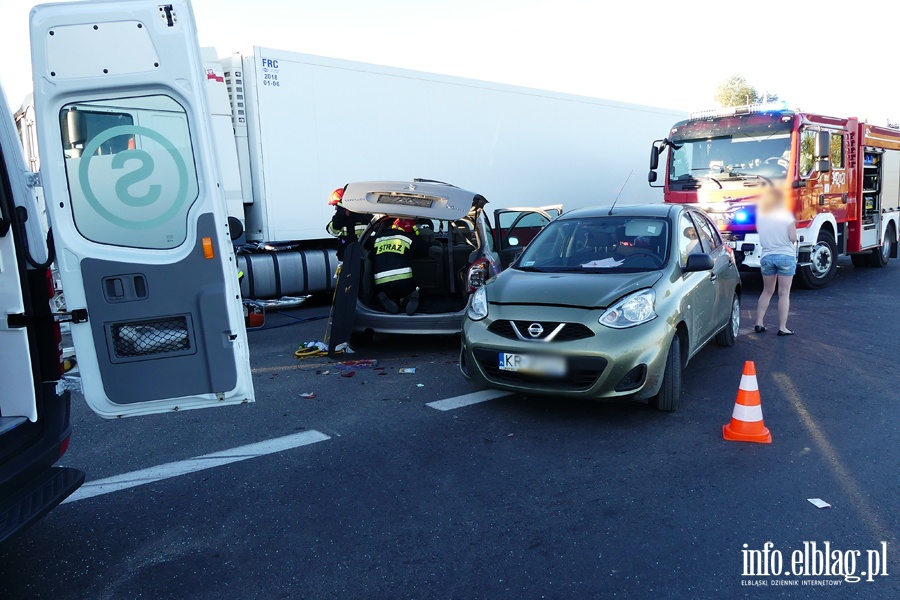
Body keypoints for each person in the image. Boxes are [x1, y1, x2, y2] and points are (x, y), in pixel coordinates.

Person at [754, 187, 798, 336]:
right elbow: (793, 237)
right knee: (784, 293)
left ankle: (759, 323)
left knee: (767, 291)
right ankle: (782, 327)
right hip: (785, 256)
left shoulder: (762, 217)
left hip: (767, 257)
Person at [372, 218, 427, 315]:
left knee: (383, 292)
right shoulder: (408, 238)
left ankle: (386, 298)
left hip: (381, 283)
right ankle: (409, 297)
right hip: (404, 281)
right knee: (413, 290)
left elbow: (365, 249)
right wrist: (416, 234)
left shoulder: (377, 239)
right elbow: (424, 250)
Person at [326, 187, 370, 261]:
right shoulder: (339, 219)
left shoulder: (364, 217)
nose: (335, 208)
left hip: (361, 258)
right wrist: (340, 214)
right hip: (345, 258)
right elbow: (332, 229)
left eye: (336, 205)